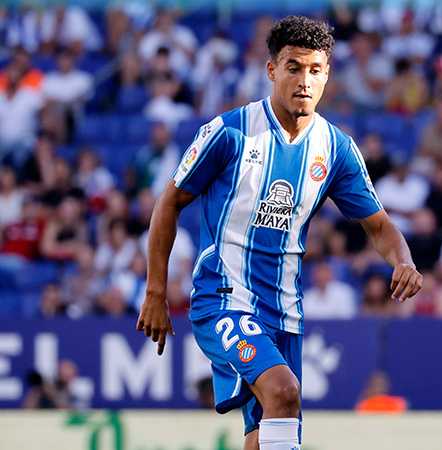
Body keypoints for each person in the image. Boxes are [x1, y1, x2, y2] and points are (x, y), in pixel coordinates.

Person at [135, 16, 422, 450]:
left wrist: (403, 260)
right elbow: (168, 202)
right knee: (284, 391)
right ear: (272, 70)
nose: (304, 80)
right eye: (294, 67)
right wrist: (156, 291)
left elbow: (378, 225)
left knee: (265, 434)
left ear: (327, 75)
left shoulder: (336, 149)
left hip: (286, 311)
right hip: (223, 298)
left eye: (315, 70)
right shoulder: (229, 133)